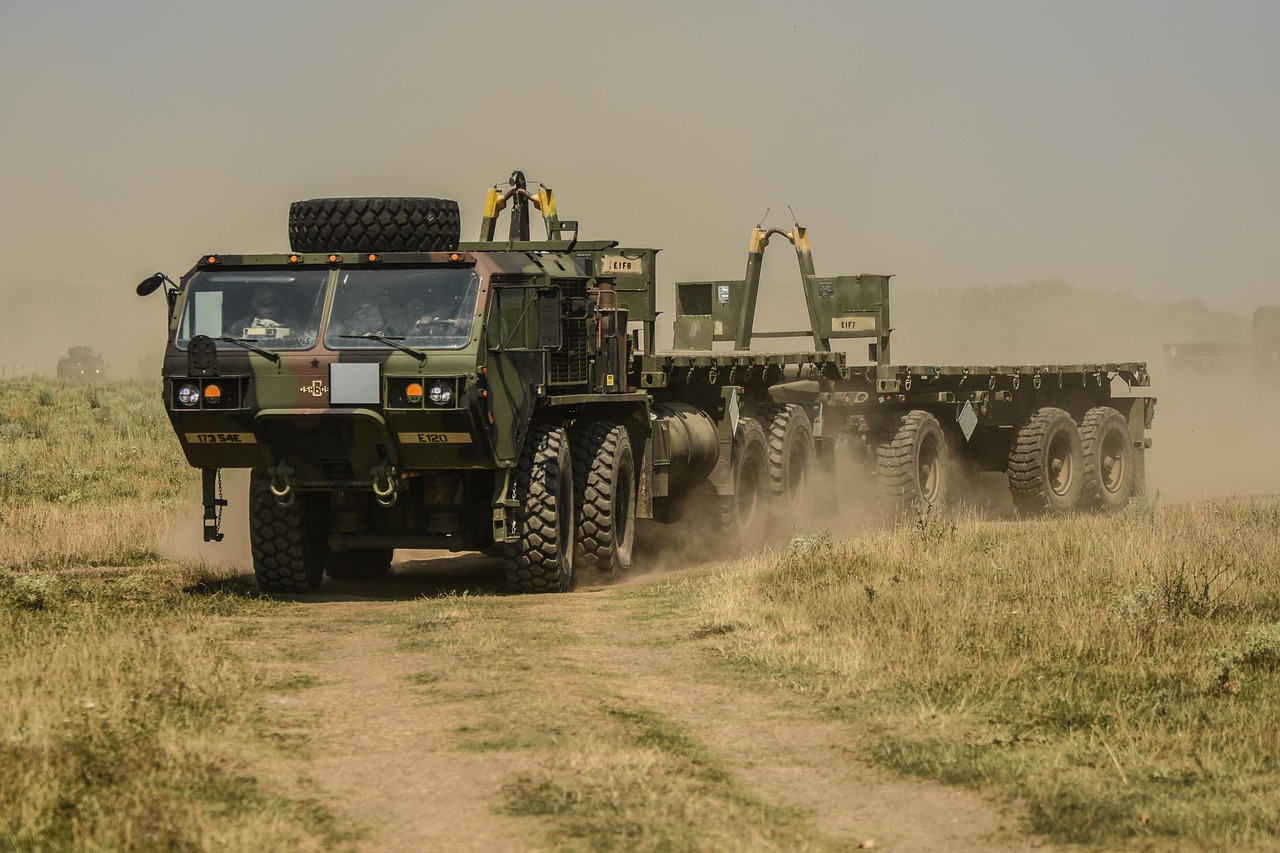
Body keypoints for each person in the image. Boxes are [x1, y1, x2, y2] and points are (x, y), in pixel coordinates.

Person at [228, 287, 299, 339]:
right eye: (265, 305)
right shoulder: (241, 325)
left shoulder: (290, 326)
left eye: (274, 304)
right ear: (257, 306)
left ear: (280, 305)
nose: (270, 308)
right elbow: (225, 342)